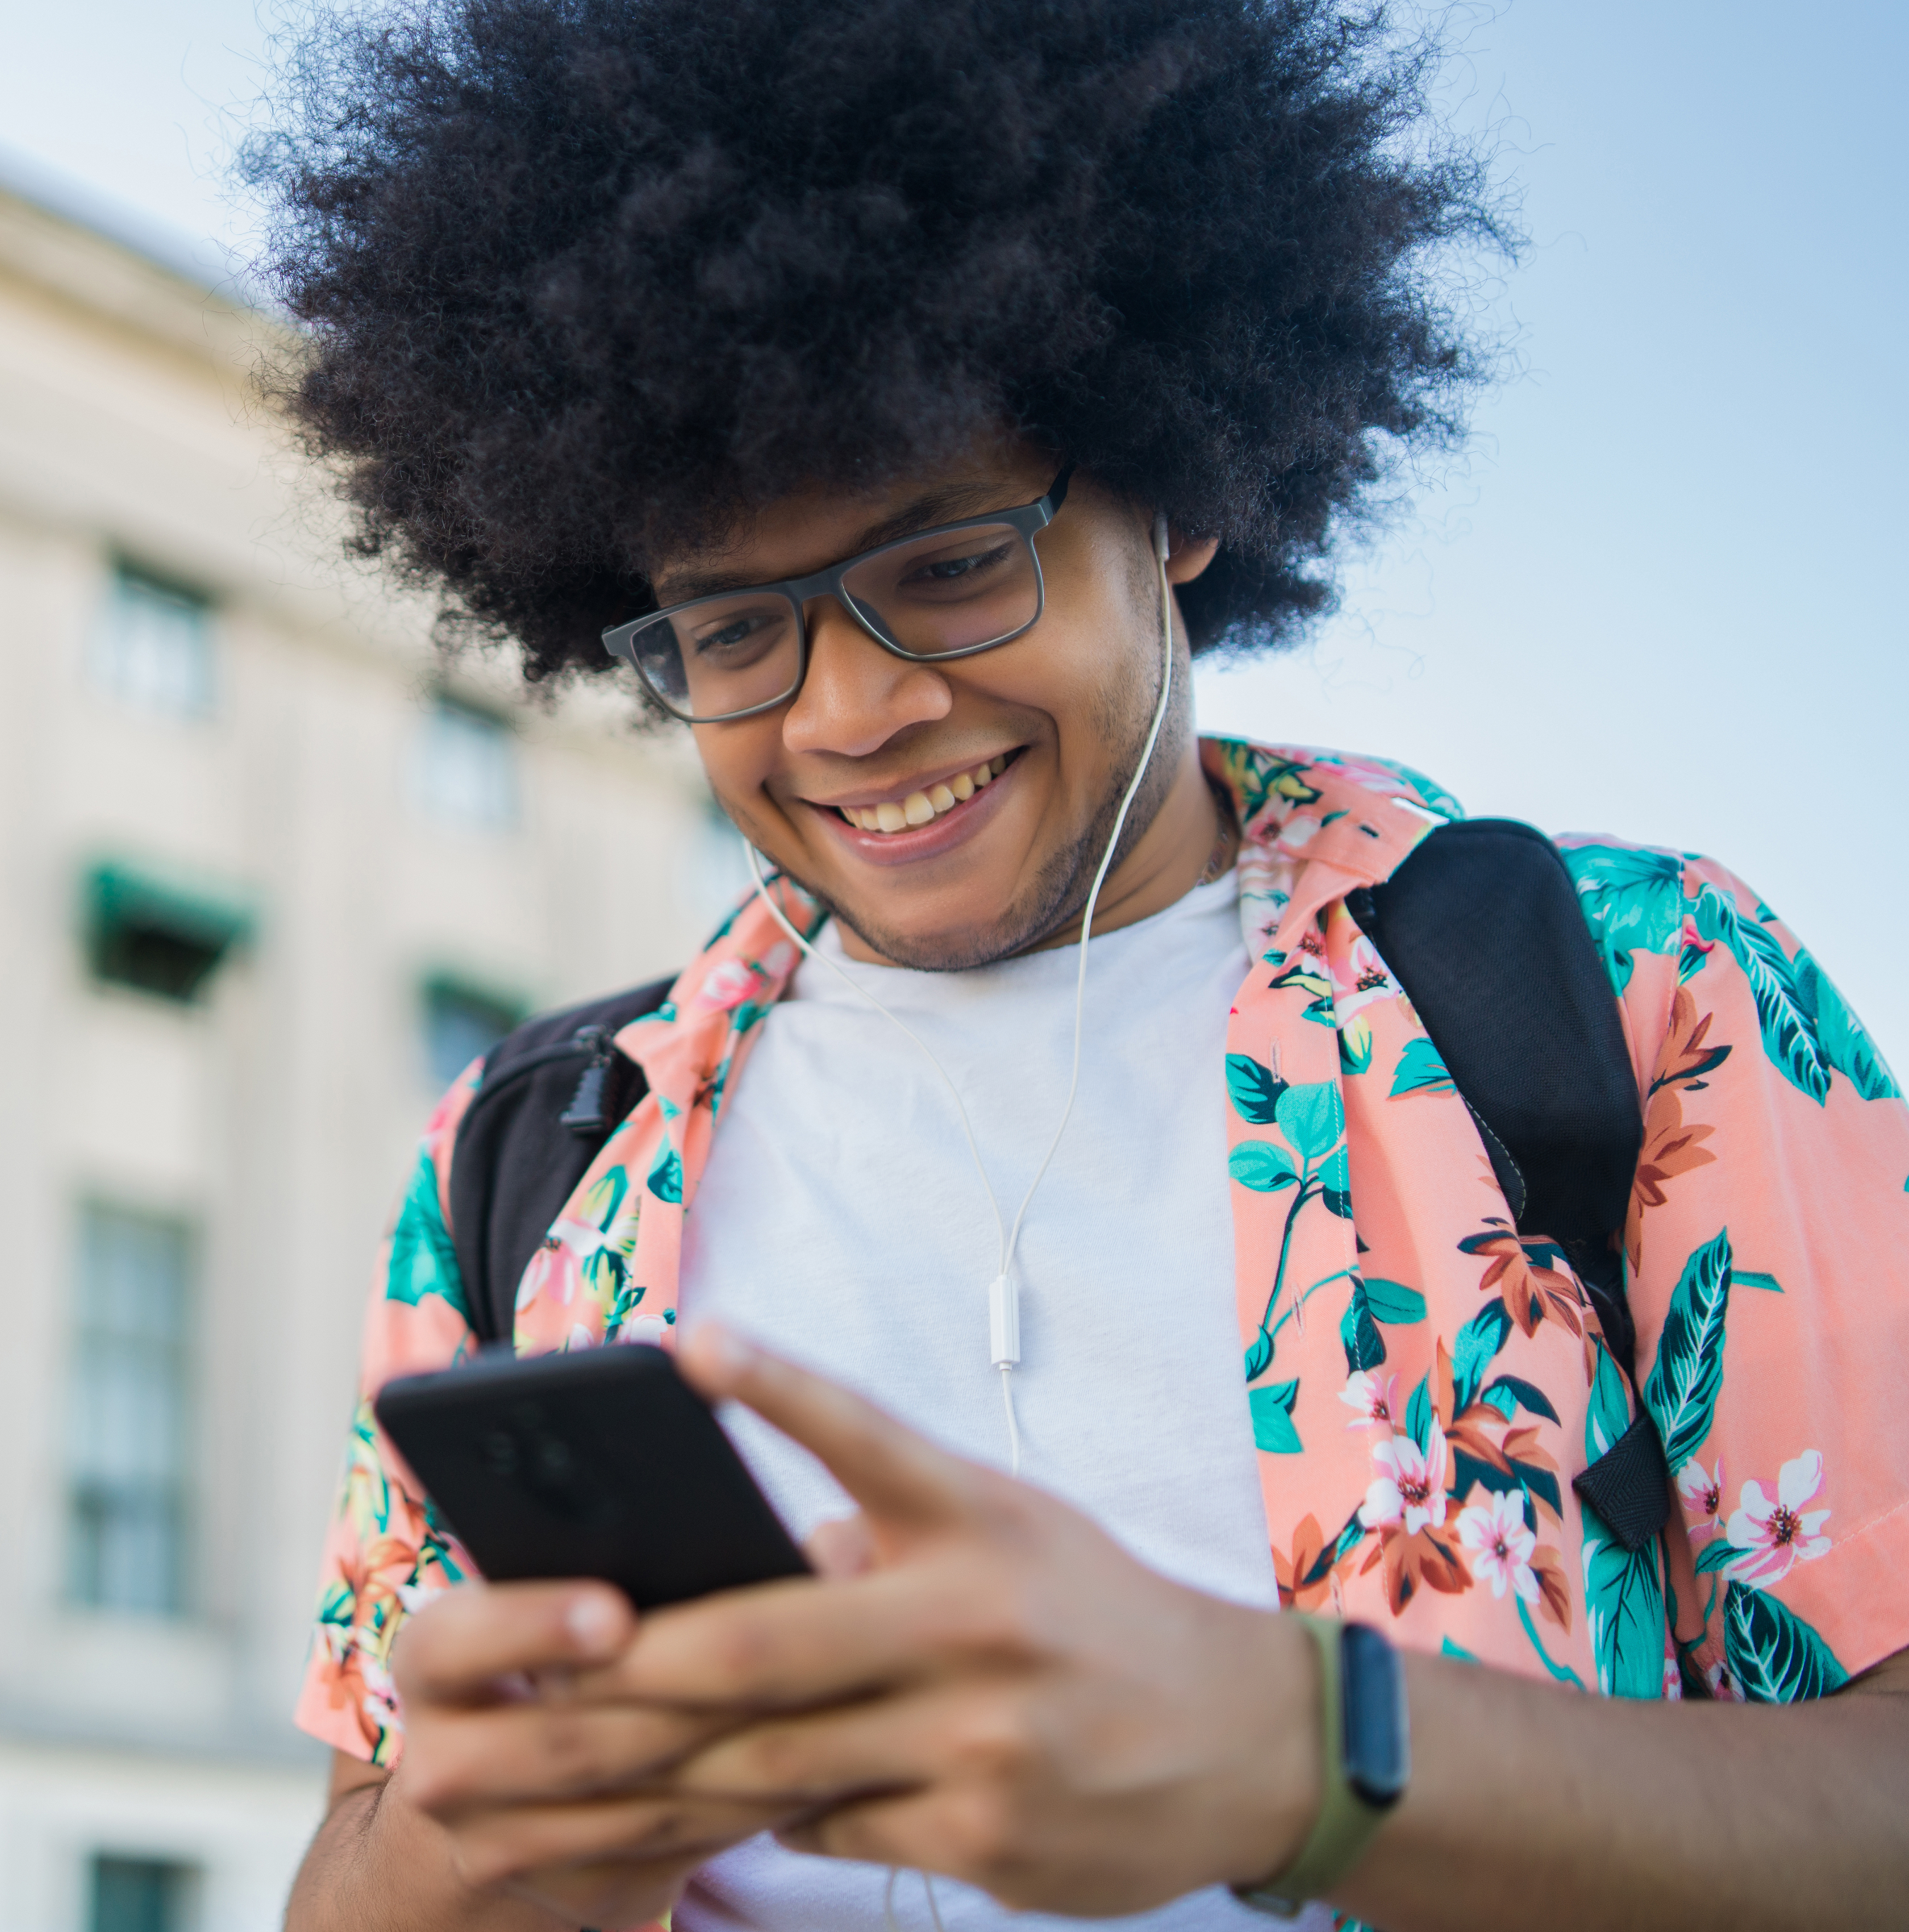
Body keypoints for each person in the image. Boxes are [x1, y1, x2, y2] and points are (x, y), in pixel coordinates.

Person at [253, 2, 1909, 1927]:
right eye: (733, 630)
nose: (853, 710)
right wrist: (502, 1816)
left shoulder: (1629, 993)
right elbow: (355, 1874)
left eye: (953, 563)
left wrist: (1303, 1752)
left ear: (1179, 492)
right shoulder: (526, 1152)